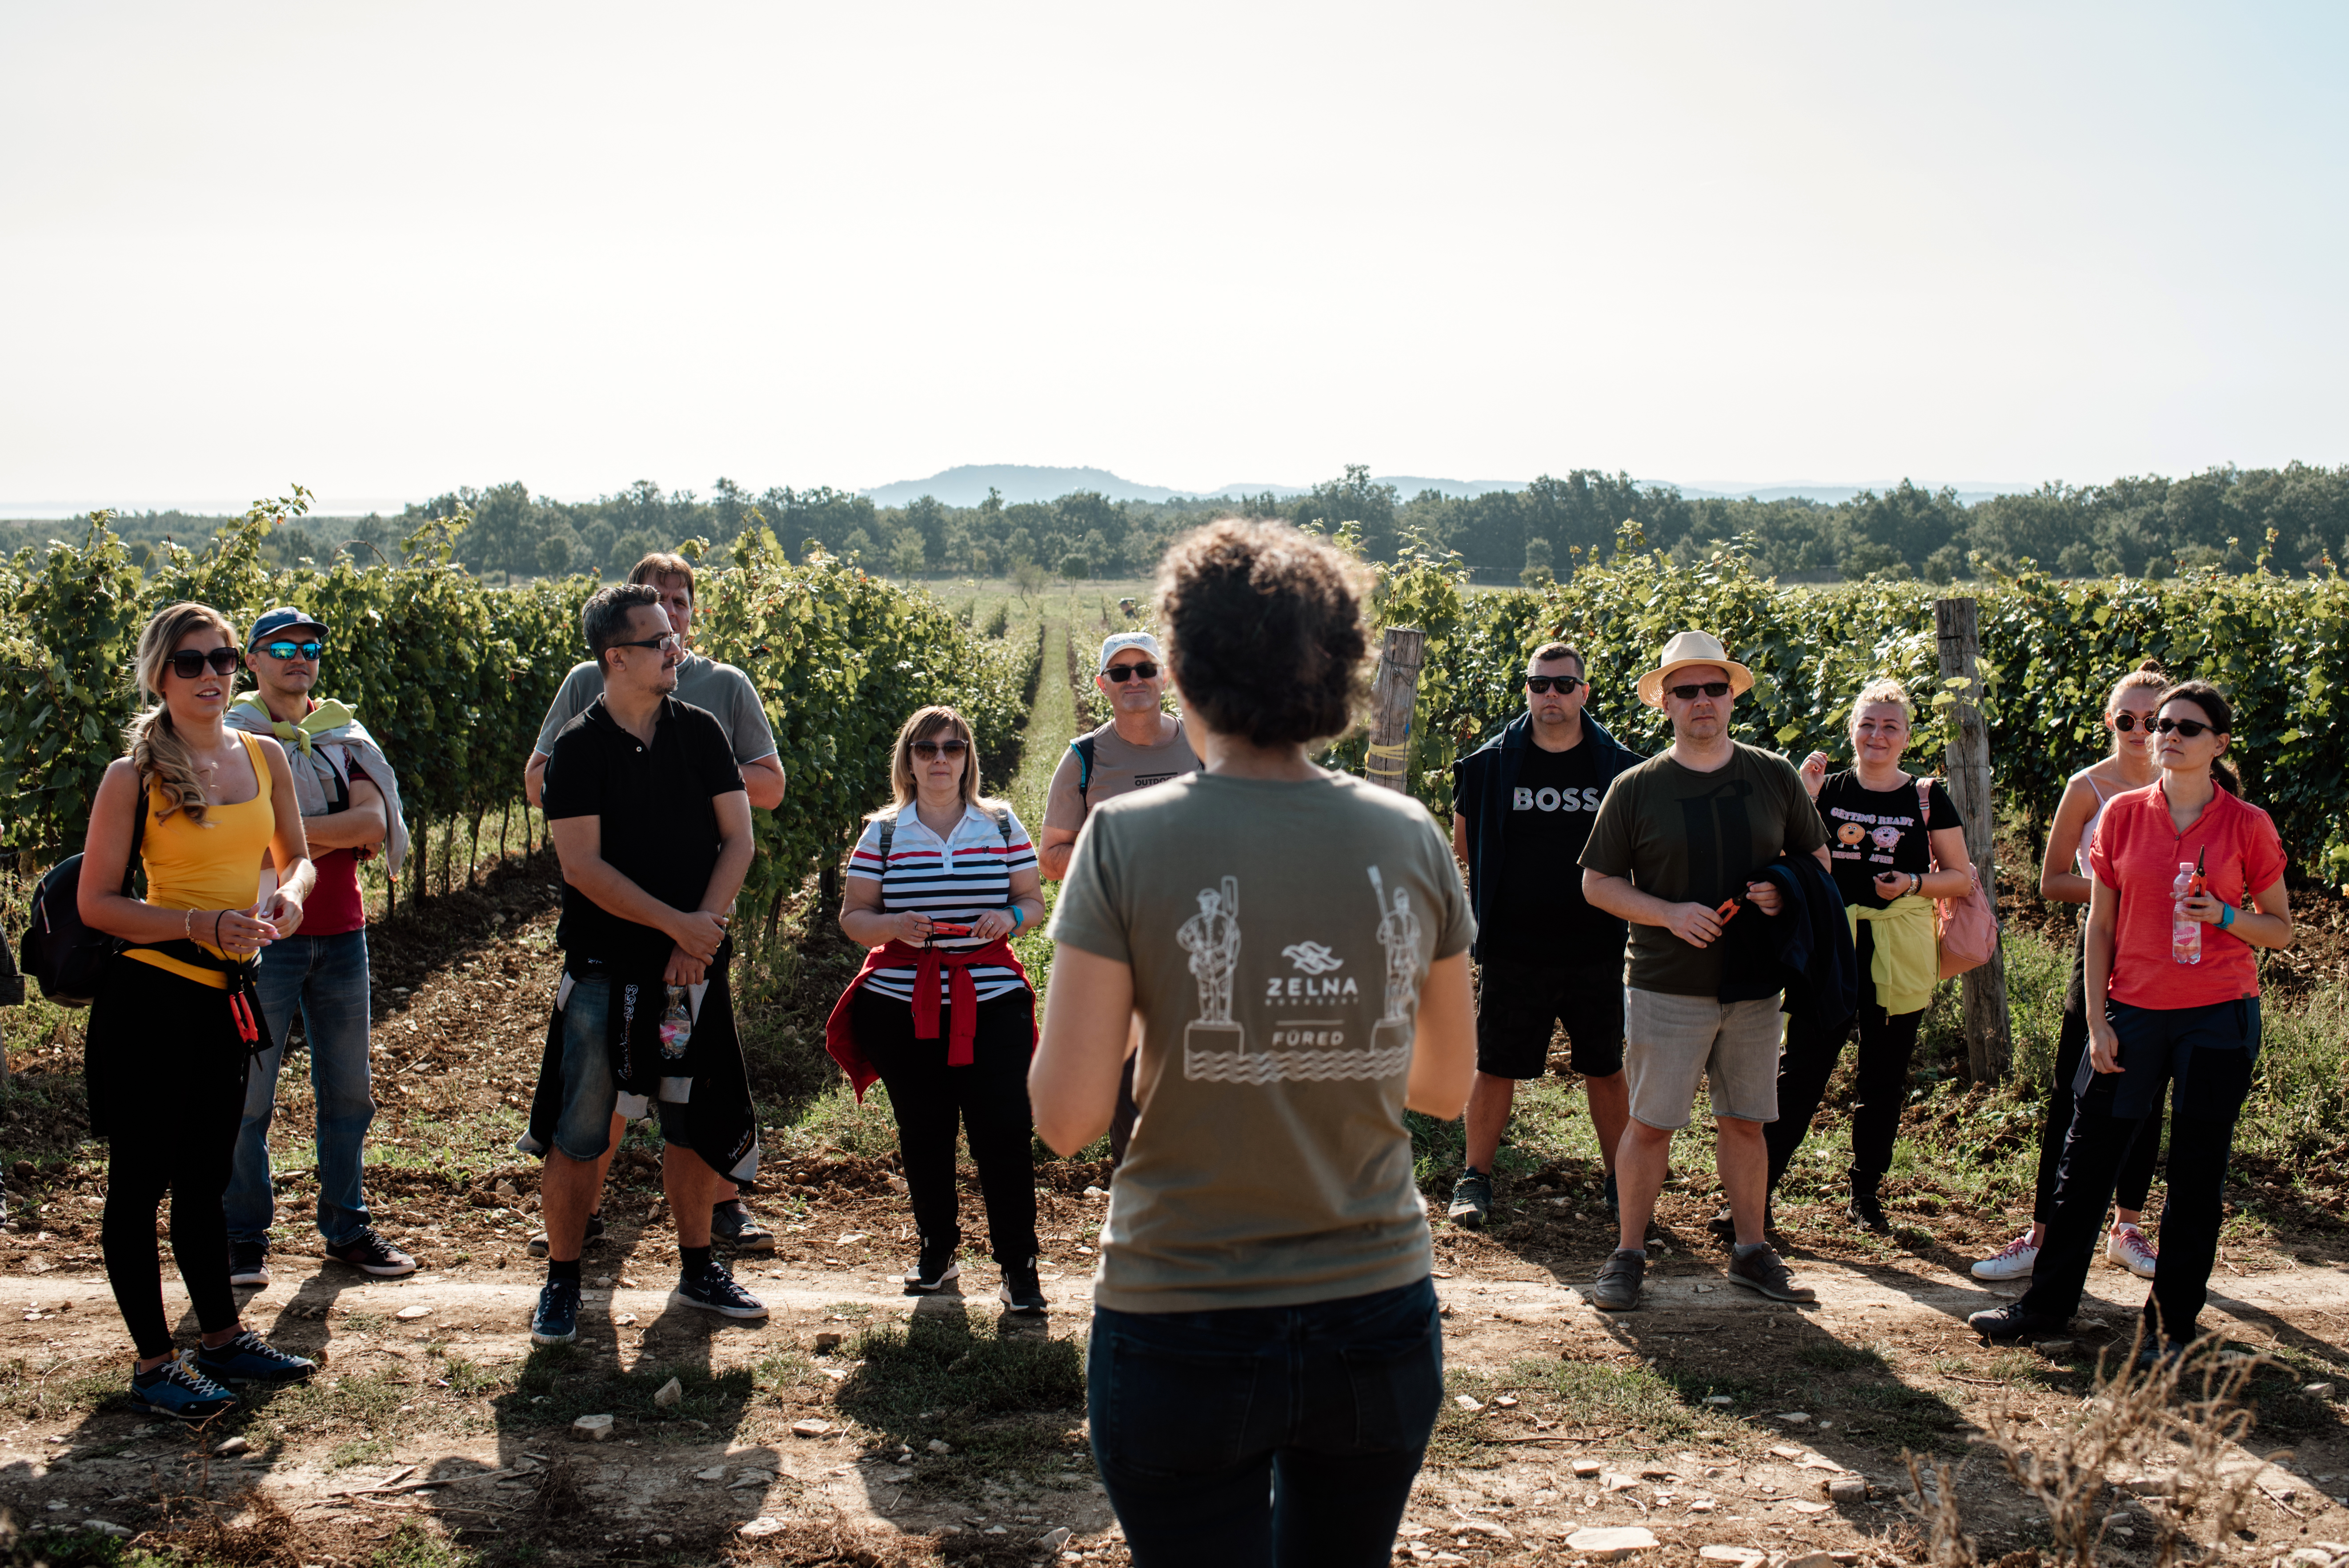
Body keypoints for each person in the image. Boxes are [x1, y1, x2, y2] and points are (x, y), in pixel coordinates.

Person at [1029, 518, 1477, 1568]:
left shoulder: (1124, 838)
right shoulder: (1408, 833)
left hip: (1178, 1313)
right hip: (1374, 1309)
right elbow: (1444, 1086)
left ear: (1183, 669)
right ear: (1338, 668)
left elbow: (1066, 1117)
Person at [1970, 681, 2291, 1363]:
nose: (2167, 734)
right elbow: (2100, 924)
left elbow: (2281, 928)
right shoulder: (2121, 813)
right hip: (2133, 1013)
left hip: (2218, 1017)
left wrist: (2225, 915)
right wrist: (2097, 1018)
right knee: (2085, 1162)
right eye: (2163, 724)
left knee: (2196, 1176)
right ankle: (2045, 1305)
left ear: (2219, 743)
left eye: (2185, 727)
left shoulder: (2246, 823)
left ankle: (2169, 1331)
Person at [77, 602, 321, 1420]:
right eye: (191, 662)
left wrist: (290, 897)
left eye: (221, 658)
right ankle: (155, 1363)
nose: (211, 674)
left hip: (228, 996)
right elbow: (98, 903)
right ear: (160, 675)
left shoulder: (264, 755)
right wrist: (197, 924)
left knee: (206, 1177)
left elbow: (298, 859)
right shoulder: (133, 776)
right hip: (152, 1000)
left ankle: (220, 1336)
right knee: (140, 1183)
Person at [523, 583, 765, 1346]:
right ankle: (563, 1279)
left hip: (692, 970)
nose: (674, 647)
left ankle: (698, 1268)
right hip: (605, 970)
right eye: (657, 639)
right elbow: (583, 868)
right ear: (615, 657)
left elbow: (740, 840)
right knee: (582, 1128)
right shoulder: (577, 748)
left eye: (674, 634)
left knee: (689, 1123)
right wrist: (677, 928)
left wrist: (699, 937)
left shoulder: (701, 731)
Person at [1579, 630, 1832, 1311]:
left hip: (1754, 983)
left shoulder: (1773, 774)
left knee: (1746, 1121)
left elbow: (1817, 859)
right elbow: (1597, 883)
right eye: (1685, 689)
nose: (1702, 700)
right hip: (1665, 983)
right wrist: (1666, 913)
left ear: (1731, 697)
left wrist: (1785, 889)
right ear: (1664, 702)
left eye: (1714, 687)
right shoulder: (1636, 787)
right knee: (1650, 1124)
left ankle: (1751, 1249)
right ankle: (1628, 1253)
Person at [825, 707, 1048, 1311]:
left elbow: (1032, 901)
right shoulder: (884, 833)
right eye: (926, 748)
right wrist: (894, 924)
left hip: (991, 1001)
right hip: (903, 1005)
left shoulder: (1000, 823)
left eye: (953, 747)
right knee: (925, 1131)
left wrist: (1010, 916)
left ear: (968, 756)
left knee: (1003, 1131)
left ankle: (1018, 1266)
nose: (940, 758)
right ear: (909, 759)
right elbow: (854, 917)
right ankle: (937, 1252)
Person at [221, 606, 416, 1287]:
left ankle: (347, 1226)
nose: (299, 658)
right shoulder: (233, 739)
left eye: (309, 648)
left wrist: (287, 831)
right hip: (261, 935)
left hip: (342, 933)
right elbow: (239, 841)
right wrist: (329, 830)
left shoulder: (341, 733)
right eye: (282, 648)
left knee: (349, 1092)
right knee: (248, 1094)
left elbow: (373, 821)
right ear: (252, 660)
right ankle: (242, 1235)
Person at [1974, 662, 2169, 1283]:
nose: (2139, 731)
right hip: (2102, 949)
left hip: (2166, 956)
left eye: (2153, 720)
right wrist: (2120, 892)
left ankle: (2127, 1228)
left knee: (2148, 1093)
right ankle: (2042, 1232)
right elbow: (2052, 880)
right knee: (2074, 1089)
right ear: (2109, 721)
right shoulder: (2088, 787)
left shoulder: (2184, 786)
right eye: (2127, 719)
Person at [1445, 641, 1640, 1230]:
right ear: (1527, 689)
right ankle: (1474, 1177)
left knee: (1605, 1067)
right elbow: (1465, 844)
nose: (1550, 694)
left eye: (1563, 684)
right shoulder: (1488, 765)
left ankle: (1621, 1181)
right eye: (1539, 684)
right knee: (1495, 1064)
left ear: (1584, 691)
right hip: (1513, 947)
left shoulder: (1622, 767)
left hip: (1597, 947)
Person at [1766, 678, 1972, 1233]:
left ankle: (1865, 1195)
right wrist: (1805, 795)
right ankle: (1754, 1193)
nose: (1877, 735)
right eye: (1867, 724)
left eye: (1889, 726)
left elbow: (1958, 876)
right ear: (1851, 730)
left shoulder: (1926, 797)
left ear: (1906, 736)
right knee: (1799, 1073)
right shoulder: (1827, 788)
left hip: (1896, 951)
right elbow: (1781, 856)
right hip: (1829, 947)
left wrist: (1910, 882)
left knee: (1882, 1079)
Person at [1037, 630, 1201, 1163]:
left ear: (1165, 677)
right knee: (1129, 1084)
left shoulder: (1204, 746)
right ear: (1103, 684)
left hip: (1201, 947)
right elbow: (1051, 858)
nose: (1135, 680)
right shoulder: (1084, 758)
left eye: (1145, 669)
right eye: (1121, 672)